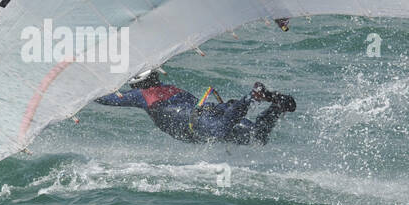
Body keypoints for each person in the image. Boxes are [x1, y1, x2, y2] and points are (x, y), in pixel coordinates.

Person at [94, 69, 295, 145]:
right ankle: (277, 107)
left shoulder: (140, 96)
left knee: (218, 131)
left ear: (135, 84)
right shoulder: (172, 88)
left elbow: (105, 99)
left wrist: (82, 87)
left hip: (196, 122)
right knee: (257, 137)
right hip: (211, 110)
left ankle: (251, 98)